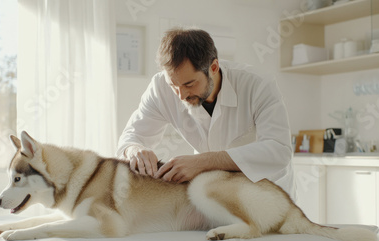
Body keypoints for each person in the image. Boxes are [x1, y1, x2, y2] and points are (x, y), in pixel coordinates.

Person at [116, 27, 295, 198]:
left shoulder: (258, 85)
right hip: (215, 194)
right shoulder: (160, 88)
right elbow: (131, 137)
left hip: (267, 193)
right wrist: (134, 150)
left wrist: (203, 162)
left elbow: (278, 150)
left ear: (214, 68)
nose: (181, 95)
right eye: (173, 85)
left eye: (189, 84)